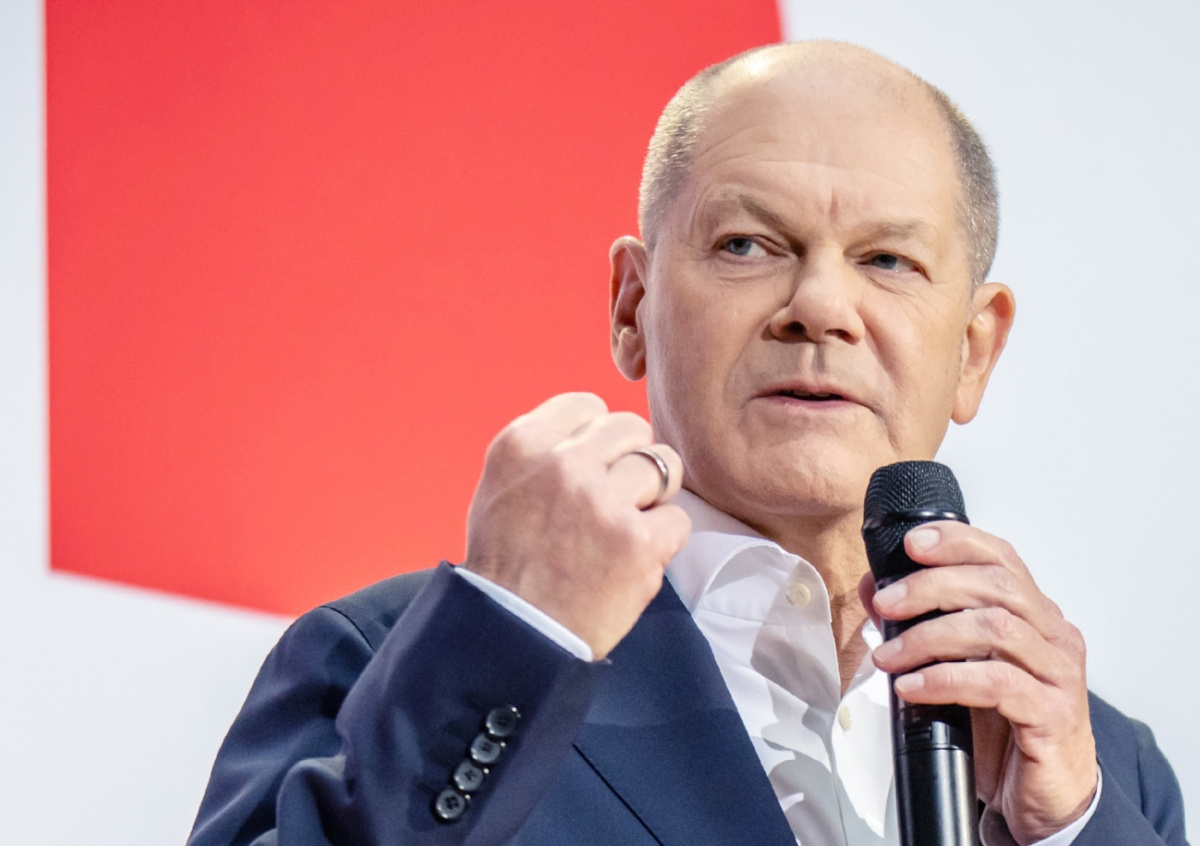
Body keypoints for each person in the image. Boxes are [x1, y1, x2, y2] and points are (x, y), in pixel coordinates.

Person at [188, 41, 1188, 846]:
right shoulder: (409, 665)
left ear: (974, 350)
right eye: (748, 245)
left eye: (887, 260)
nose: (820, 306)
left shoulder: (1097, 769)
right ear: (633, 306)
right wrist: (513, 643)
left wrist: (1070, 830)